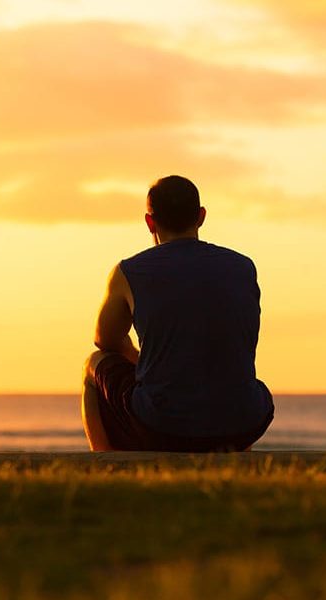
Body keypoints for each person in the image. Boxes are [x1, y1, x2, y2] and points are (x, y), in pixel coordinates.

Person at [81, 175, 274, 452]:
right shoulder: (243, 267)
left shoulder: (129, 271)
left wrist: (138, 360)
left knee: (93, 363)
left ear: (149, 222)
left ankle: (103, 466)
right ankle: (234, 464)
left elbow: (104, 340)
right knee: (237, 385)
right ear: (201, 216)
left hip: (163, 426)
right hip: (244, 422)